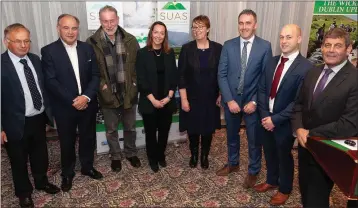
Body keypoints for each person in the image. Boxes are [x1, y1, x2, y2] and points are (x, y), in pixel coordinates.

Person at [291, 28, 358, 207]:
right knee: (305, 191)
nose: (331, 50)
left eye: (337, 46)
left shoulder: (354, 79)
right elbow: (298, 104)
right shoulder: (314, 71)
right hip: (306, 147)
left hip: (330, 150)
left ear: (348, 48)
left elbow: (349, 124)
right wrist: (298, 129)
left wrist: (310, 132)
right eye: (327, 45)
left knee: (316, 199)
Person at [41, 14, 102, 192]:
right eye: (66, 27)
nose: (70, 32)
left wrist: (86, 97)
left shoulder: (87, 49)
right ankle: (67, 173)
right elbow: (51, 81)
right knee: (66, 141)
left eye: (74, 28)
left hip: (88, 103)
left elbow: (96, 76)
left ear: (78, 29)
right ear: (58, 28)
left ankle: (87, 166)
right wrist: (73, 100)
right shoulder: (48, 51)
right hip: (64, 107)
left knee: (88, 137)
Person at [1, 23, 60, 208]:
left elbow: (43, 87)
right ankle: (24, 193)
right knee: (18, 160)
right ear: (6, 42)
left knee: (40, 155)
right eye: (18, 41)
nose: (23, 45)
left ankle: (41, 182)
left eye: (26, 40)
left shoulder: (35, 59)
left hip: (38, 118)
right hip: (13, 123)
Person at [255, 24, 312, 205]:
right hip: (265, 118)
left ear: (299, 39)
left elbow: (298, 102)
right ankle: (272, 180)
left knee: (283, 155)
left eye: (289, 37)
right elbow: (262, 88)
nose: (284, 41)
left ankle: (285, 189)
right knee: (269, 151)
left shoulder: (306, 67)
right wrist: (265, 115)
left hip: (285, 122)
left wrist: (275, 119)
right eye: (281, 37)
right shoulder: (272, 61)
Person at [217, 9, 272, 189]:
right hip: (231, 100)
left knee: (254, 139)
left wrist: (255, 101)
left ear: (255, 25)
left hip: (252, 103)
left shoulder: (265, 46)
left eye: (248, 23)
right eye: (241, 23)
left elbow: (265, 77)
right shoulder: (228, 45)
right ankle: (233, 163)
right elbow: (222, 75)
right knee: (231, 135)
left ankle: (253, 170)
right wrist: (229, 100)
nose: (244, 27)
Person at [86, 5, 141, 172]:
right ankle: (116, 156)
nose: (109, 25)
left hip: (128, 92)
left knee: (130, 127)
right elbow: (90, 70)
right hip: (106, 93)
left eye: (112, 21)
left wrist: (134, 83)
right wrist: (101, 85)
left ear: (117, 19)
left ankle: (131, 152)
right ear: (100, 21)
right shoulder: (91, 42)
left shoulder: (130, 40)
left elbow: (138, 66)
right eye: (105, 21)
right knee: (111, 130)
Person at [178, 15, 222, 169]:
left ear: (208, 29)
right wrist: (184, 99)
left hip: (211, 97)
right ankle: (194, 154)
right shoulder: (187, 49)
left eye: (200, 27)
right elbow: (181, 75)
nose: (196, 30)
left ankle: (204, 155)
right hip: (192, 97)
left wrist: (221, 94)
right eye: (194, 27)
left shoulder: (218, 48)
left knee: (208, 129)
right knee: (193, 128)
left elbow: (222, 74)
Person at [135, 21, 178, 172]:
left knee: (164, 131)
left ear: (165, 35)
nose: (159, 35)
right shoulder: (142, 53)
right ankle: (152, 158)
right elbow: (141, 80)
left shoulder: (169, 53)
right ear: (151, 33)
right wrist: (153, 100)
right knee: (151, 133)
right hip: (149, 102)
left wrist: (169, 97)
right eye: (156, 32)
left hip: (167, 101)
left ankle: (161, 155)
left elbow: (174, 76)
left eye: (162, 33)